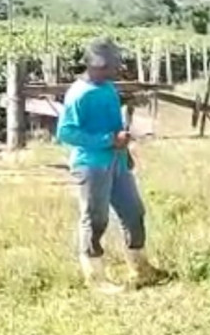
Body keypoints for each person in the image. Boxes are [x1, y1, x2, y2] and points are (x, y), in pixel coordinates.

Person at [56, 37, 168, 293]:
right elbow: (66, 133)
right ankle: (95, 278)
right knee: (95, 218)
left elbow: (114, 123)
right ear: (95, 65)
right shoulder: (78, 95)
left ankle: (140, 267)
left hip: (116, 161)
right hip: (92, 164)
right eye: (110, 65)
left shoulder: (107, 88)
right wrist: (107, 141)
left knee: (133, 212)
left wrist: (123, 149)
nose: (115, 69)